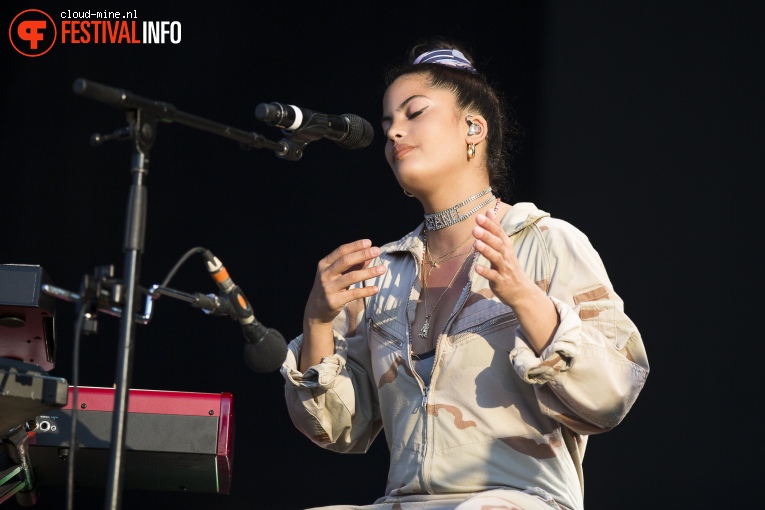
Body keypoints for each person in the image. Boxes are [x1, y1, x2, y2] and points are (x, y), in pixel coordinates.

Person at [280, 38, 649, 510]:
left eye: (414, 113)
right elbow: (334, 428)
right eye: (388, 121)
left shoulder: (544, 242)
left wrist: (523, 297)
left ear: (474, 128)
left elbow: (612, 393)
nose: (393, 133)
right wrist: (316, 321)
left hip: (518, 499)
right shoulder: (382, 273)